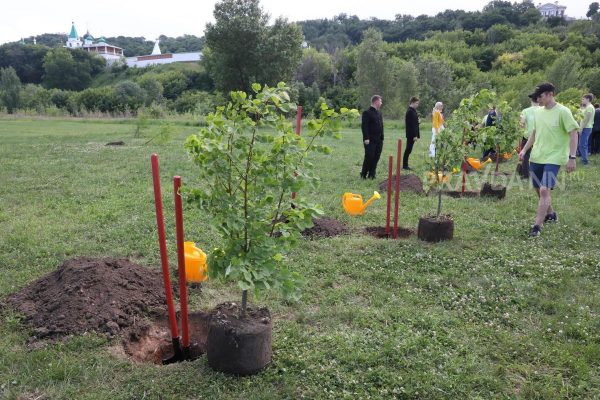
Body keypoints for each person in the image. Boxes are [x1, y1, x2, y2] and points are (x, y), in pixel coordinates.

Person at [519, 83, 579, 237]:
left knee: (545, 190)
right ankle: (551, 213)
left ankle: (537, 227)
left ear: (551, 94)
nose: (538, 99)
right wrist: (524, 150)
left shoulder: (563, 112)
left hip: (555, 157)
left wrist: (572, 157)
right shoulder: (538, 113)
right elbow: (534, 133)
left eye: (541, 96)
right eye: (537, 96)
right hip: (537, 156)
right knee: (539, 190)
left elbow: (573, 134)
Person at [360, 95, 384, 179]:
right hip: (370, 140)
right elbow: (364, 126)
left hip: (379, 140)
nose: (381, 103)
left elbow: (381, 126)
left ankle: (372, 174)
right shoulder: (367, 112)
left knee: (376, 156)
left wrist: (382, 137)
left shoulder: (379, 113)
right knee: (369, 157)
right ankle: (363, 174)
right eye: (380, 101)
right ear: (376, 101)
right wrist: (366, 138)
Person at [518, 95, 539, 178]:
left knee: (525, 155)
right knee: (538, 155)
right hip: (540, 136)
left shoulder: (525, 111)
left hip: (527, 136)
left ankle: (526, 174)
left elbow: (522, 124)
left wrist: (520, 124)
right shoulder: (543, 110)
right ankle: (538, 173)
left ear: (531, 101)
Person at [403, 97, 420, 170]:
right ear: (412, 102)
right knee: (408, 149)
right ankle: (405, 165)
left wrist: (418, 121)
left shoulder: (413, 110)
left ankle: (405, 165)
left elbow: (414, 122)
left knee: (409, 149)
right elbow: (411, 125)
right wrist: (415, 135)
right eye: (416, 103)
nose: (417, 105)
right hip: (411, 134)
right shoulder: (410, 111)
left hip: (412, 134)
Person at [578, 94, 595, 165]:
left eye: (583, 99)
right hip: (585, 127)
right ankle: (584, 159)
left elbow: (587, 119)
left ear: (588, 99)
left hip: (586, 128)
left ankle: (585, 161)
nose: (582, 100)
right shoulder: (587, 107)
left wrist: (581, 128)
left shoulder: (590, 107)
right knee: (583, 144)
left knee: (582, 145)